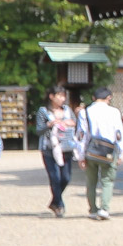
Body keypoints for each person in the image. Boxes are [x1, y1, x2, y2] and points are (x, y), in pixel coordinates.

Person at [78, 87, 123, 221]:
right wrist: (120, 153)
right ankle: (104, 209)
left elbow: (82, 135)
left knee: (91, 181)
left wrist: (81, 156)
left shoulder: (85, 112)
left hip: (91, 149)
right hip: (109, 150)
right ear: (109, 98)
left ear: (93, 98)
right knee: (107, 180)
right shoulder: (114, 112)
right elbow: (119, 134)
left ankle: (93, 209)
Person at [35, 86, 76, 217]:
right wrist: (49, 124)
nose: (62, 98)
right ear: (51, 96)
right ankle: (59, 205)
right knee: (55, 178)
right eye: (59, 95)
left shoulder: (68, 110)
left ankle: (54, 201)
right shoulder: (43, 111)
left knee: (66, 177)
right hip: (49, 148)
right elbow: (38, 130)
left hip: (67, 147)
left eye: (64, 96)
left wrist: (70, 123)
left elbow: (75, 123)